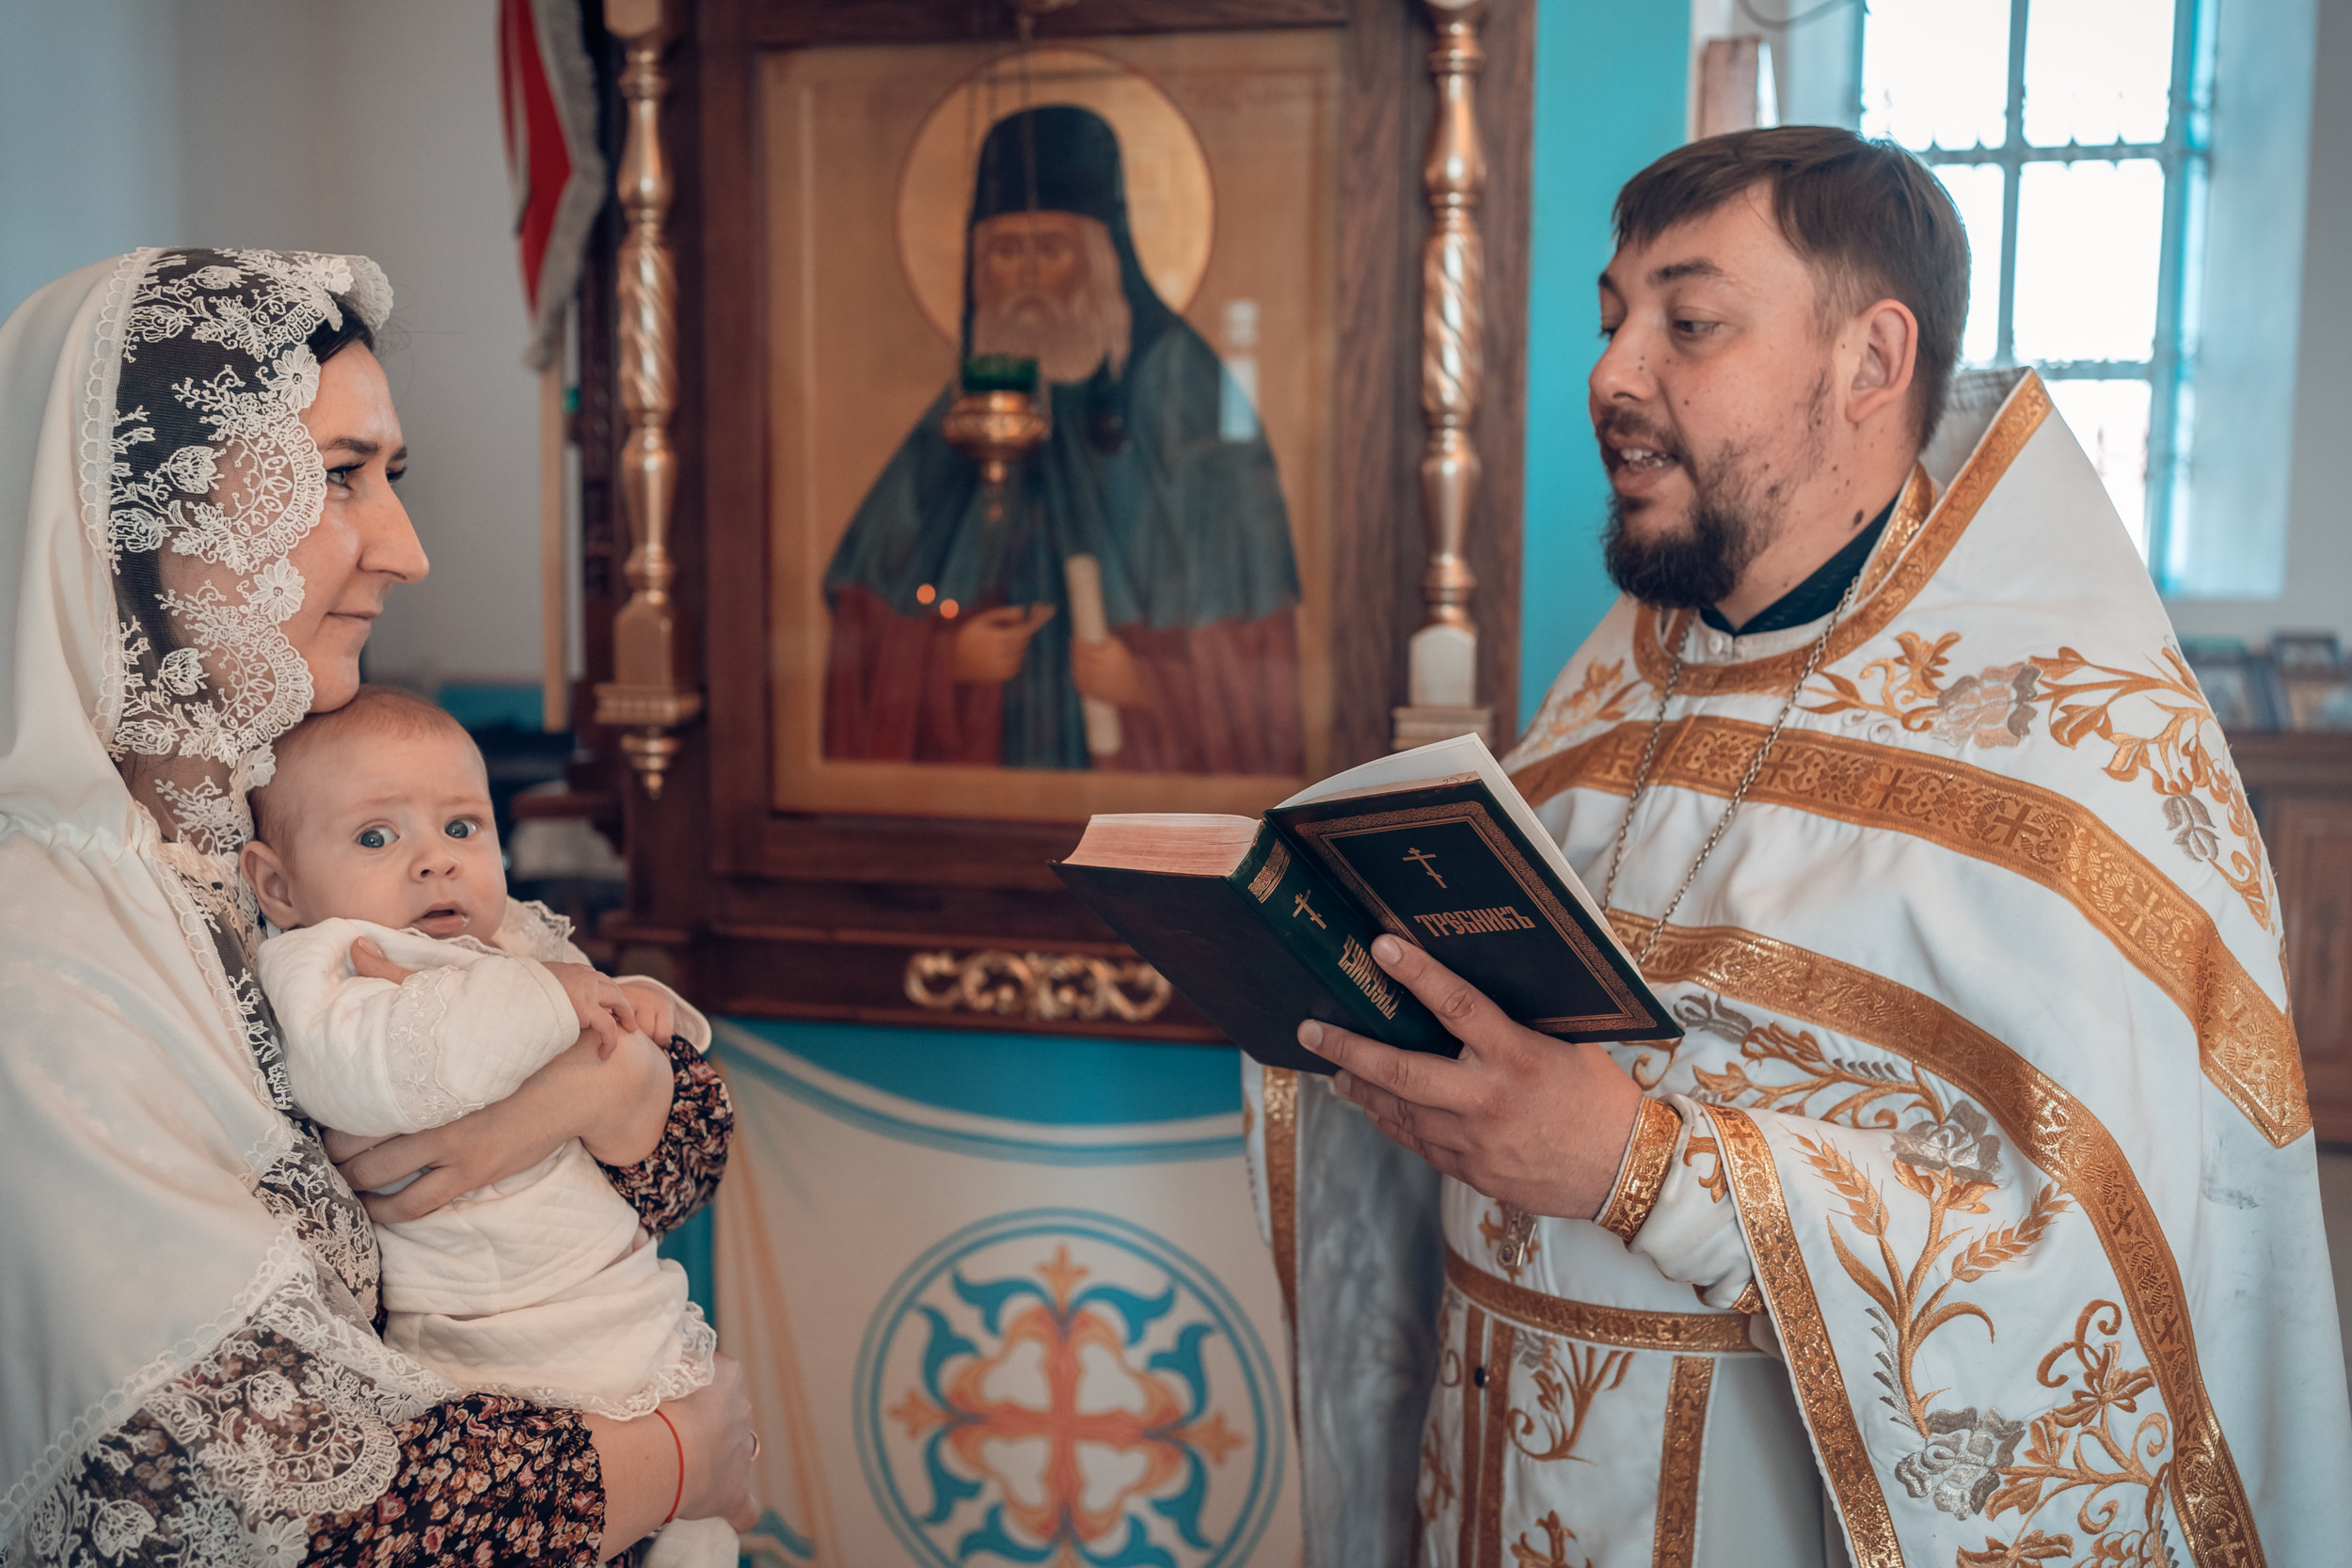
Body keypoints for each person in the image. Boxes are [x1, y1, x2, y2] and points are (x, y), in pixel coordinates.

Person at [1247, 130, 2352, 1566]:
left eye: (1688, 323)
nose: (1613, 375)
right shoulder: (1623, 676)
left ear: (1871, 362)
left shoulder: (2079, 750)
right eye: (1611, 318)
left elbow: (2085, 1278)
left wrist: (1639, 1163)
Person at [0, 248, 755, 1565]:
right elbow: (265, 1485)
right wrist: (680, 1452)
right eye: (339, 475)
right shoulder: (44, 950)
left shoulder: (272, 820)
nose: (404, 548)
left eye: (387, 477)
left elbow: (684, 1129)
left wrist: (584, 1096)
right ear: (140, 509)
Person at [240, 687, 738, 1568]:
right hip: (507, 1341)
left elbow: (665, 1093)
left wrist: (638, 1020)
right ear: (277, 885)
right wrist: (561, 1010)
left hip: (619, 1294)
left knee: (704, 1525)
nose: (435, 861)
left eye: (463, 827)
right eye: (376, 837)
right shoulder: (326, 961)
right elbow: (382, 1069)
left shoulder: (510, 942)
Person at [822, 103, 1305, 775]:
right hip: (987, 780)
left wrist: (1145, 683)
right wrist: (947, 660)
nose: (1021, 279)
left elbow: (1254, 649)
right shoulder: (964, 409)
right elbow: (863, 605)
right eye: (1002, 252)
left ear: (1100, 260)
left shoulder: (1178, 386)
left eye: (1048, 250)